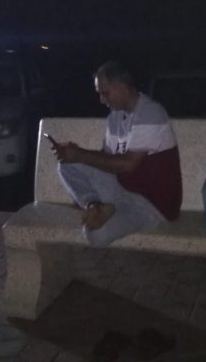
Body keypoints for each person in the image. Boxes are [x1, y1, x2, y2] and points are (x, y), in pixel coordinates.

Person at [52, 61, 182, 246]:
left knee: (94, 235)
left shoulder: (150, 113)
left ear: (123, 87)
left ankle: (104, 209)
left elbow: (128, 165)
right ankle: (95, 206)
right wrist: (74, 154)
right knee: (66, 164)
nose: (102, 100)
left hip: (150, 205)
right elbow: (106, 160)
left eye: (105, 93)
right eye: (99, 94)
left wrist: (81, 154)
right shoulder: (115, 116)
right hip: (122, 189)